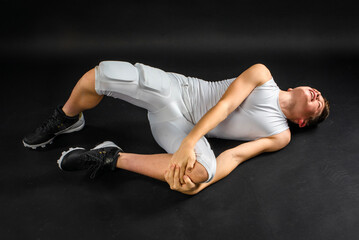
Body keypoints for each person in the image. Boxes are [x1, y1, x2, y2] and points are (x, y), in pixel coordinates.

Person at [23, 61, 330, 195]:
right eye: (317, 92)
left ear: (302, 121)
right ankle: (68, 118)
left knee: (201, 172)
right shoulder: (262, 75)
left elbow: (235, 156)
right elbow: (224, 107)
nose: (318, 95)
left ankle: (110, 157)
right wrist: (190, 143)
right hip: (177, 91)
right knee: (103, 74)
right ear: (296, 86)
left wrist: (201, 184)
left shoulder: (281, 135)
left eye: (319, 104)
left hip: (177, 125)